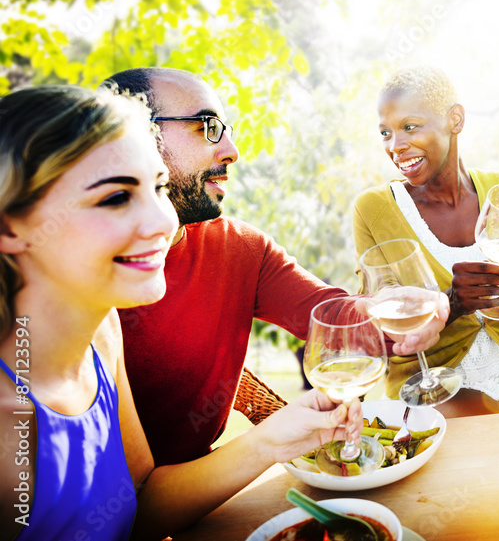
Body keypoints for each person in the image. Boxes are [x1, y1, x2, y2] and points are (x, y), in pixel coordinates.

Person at [0, 85, 362, 541]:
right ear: (10, 226)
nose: (162, 221)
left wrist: (275, 438)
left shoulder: (101, 334)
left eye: (159, 188)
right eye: (115, 198)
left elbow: (140, 504)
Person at [101, 68, 447, 465]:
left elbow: (330, 316)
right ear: (133, 136)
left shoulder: (240, 248)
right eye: (206, 127)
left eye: (225, 129)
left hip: (203, 492)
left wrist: (385, 310)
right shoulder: (74, 278)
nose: (231, 150)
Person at [352, 66, 499, 416]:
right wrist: (451, 303)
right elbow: (380, 324)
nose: (395, 146)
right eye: (385, 132)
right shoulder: (374, 209)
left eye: (409, 127)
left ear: (455, 120)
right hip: (432, 397)